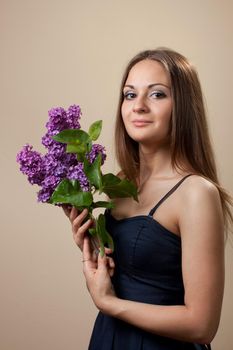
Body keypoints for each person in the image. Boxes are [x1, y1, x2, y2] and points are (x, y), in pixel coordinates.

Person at [63, 48, 233, 350]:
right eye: (130, 95)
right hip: (109, 339)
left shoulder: (196, 193)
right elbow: (131, 277)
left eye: (156, 95)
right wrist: (91, 247)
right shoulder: (119, 184)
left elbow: (202, 325)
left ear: (183, 106)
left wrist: (108, 303)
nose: (138, 106)